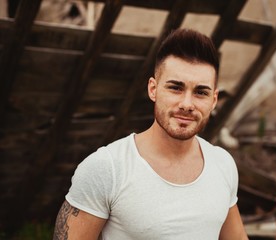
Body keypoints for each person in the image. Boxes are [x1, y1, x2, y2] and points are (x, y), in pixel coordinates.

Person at [53, 28, 249, 240]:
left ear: (214, 100)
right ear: (153, 89)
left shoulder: (223, 164)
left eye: (201, 92)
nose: (187, 104)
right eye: (175, 88)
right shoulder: (107, 167)